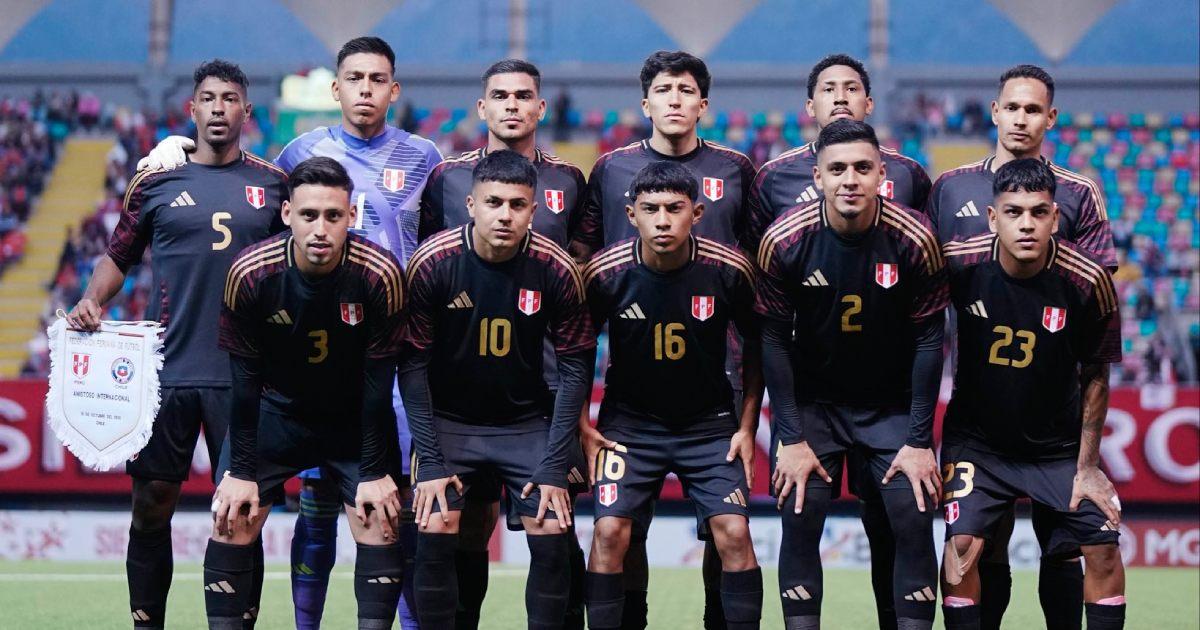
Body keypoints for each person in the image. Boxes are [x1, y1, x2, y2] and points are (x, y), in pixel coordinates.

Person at [136, 36, 442, 629]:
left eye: (378, 79)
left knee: (390, 511)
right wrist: (181, 149)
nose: (366, 89)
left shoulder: (425, 159)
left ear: (394, 89)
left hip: (380, 364)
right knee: (306, 511)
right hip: (296, 370)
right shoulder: (298, 154)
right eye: (355, 78)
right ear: (336, 88)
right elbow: (239, 180)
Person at [65, 59, 286, 630]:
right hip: (165, 373)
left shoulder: (273, 185)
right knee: (150, 505)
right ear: (192, 109)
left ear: (246, 111)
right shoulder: (155, 181)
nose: (218, 108)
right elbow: (117, 256)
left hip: (245, 377)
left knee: (243, 512)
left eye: (230, 99)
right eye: (208, 98)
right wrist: (92, 299)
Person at [923, 64, 1117, 630]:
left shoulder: (1080, 194)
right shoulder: (950, 187)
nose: (1021, 118)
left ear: (1050, 118)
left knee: (1066, 548)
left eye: (1033, 109)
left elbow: (1092, 312)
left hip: (1054, 412)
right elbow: (927, 293)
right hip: (981, 411)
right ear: (995, 111)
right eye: (1012, 107)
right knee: (981, 548)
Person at [571, 49, 756, 630]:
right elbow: (576, 321)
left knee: (727, 532)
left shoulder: (737, 172)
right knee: (617, 532)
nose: (675, 100)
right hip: (631, 402)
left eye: (686, 90)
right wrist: (579, 421)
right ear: (645, 102)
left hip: (713, 389)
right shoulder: (610, 172)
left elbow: (760, 310)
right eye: (664, 90)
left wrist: (748, 421)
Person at [417, 57, 590, 630]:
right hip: (459, 391)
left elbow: (581, 276)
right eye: (500, 95)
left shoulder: (571, 181)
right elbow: (435, 279)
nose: (512, 105)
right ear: (482, 106)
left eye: (522, 95)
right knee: (466, 523)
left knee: (556, 523)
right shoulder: (445, 179)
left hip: (541, 394)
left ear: (540, 107)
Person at [757, 120, 946, 630]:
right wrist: (790, 437)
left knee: (913, 520)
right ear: (817, 176)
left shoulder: (916, 239)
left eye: (863, 168)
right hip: (813, 408)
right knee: (800, 518)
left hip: (890, 408)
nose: (850, 179)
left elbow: (931, 341)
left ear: (882, 174)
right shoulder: (784, 240)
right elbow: (772, 341)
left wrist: (918, 440)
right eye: (837, 168)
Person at [208, 156, 406, 630]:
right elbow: (244, 383)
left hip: (352, 419)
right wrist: (241, 471)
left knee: (380, 520)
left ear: (351, 216)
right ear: (287, 214)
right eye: (308, 215)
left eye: (333, 216)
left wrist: (373, 472)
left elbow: (379, 384)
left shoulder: (380, 274)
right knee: (233, 517)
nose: (320, 228)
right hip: (275, 413)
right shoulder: (250, 273)